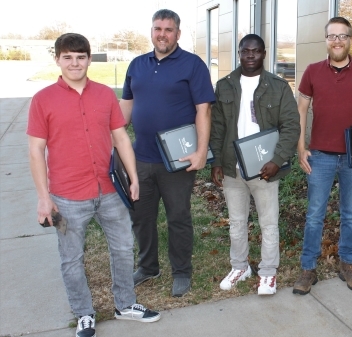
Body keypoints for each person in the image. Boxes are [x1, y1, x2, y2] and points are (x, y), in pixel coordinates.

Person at [27, 33, 160, 337]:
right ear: (58, 60)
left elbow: (121, 138)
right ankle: (83, 313)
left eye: (81, 56)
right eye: (68, 57)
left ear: (89, 58)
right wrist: (43, 198)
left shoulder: (103, 95)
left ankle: (125, 304)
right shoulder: (43, 99)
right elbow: (36, 150)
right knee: (72, 258)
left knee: (124, 248)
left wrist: (134, 178)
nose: (75, 63)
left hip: (109, 190)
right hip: (68, 195)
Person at [119, 9, 215, 297]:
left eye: (168, 29)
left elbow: (204, 110)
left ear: (178, 33)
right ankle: (148, 266)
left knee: (178, 216)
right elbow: (126, 105)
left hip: (178, 160)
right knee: (141, 216)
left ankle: (182, 271)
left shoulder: (193, 65)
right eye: (157, 28)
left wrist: (200, 151)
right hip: (141, 158)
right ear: (151, 31)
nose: (162, 34)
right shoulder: (137, 64)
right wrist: (114, 138)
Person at [293, 17, 352, 295]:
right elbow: (300, 112)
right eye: (332, 36)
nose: (337, 41)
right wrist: (300, 148)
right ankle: (308, 269)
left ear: (351, 40)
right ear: (326, 40)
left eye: (343, 36)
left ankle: (347, 264)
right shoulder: (312, 71)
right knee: (314, 216)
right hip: (319, 155)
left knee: (350, 215)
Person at [210, 34, 300, 295]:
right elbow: (218, 126)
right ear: (239, 53)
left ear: (263, 53)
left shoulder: (278, 86)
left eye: (256, 51)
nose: (250, 55)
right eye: (245, 51)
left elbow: (291, 126)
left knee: (268, 223)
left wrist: (276, 160)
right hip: (232, 167)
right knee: (237, 222)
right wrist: (216, 161)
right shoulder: (225, 85)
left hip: (265, 169)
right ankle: (240, 266)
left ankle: (268, 272)